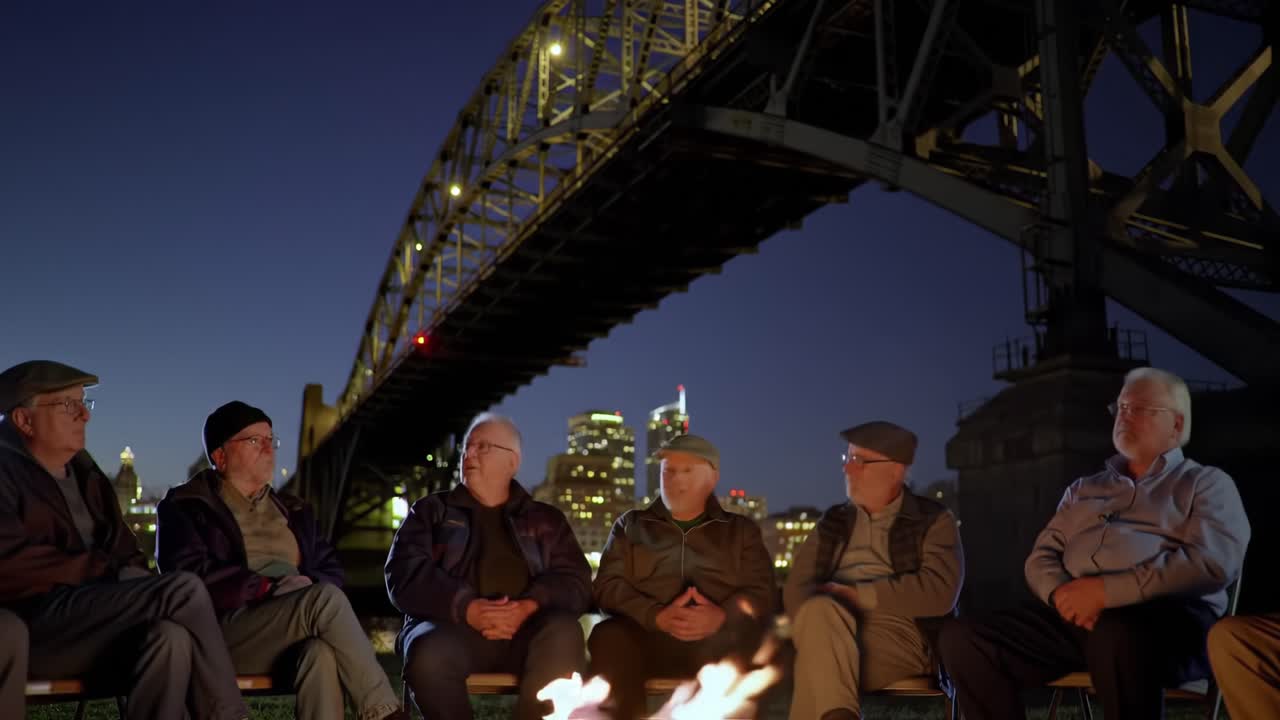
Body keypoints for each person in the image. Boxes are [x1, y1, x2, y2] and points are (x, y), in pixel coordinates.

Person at [938, 367, 1251, 720]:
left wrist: (1105, 592)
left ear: (1176, 424)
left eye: (1139, 409)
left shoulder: (1205, 484)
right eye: (1121, 407)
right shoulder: (1084, 488)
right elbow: (1041, 557)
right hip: (1075, 618)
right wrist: (1062, 595)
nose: (1124, 416)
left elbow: (1211, 563)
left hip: (1169, 622)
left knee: (1117, 633)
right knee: (964, 638)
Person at [0, 360, 248, 720]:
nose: (85, 415)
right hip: (34, 624)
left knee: (170, 638)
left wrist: (130, 578)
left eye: (84, 403)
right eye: (69, 404)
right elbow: (10, 564)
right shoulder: (5, 473)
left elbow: (127, 552)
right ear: (24, 420)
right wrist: (108, 573)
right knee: (183, 590)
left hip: (98, 620)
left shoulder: (89, 477)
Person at [157, 400, 405, 720]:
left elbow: (331, 569)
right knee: (324, 599)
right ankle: (385, 713)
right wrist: (267, 588)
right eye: (253, 440)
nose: (268, 449)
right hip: (222, 632)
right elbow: (188, 577)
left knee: (320, 654)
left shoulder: (294, 510)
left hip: (293, 621)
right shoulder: (187, 506)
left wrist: (303, 587)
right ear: (220, 456)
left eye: (270, 439)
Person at [386, 413, 592, 720]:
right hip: (451, 631)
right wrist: (467, 608)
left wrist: (528, 607)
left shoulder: (546, 519)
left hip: (527, 633)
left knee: (565, 635)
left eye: (483, 447)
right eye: (467, 447)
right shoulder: (431, 511)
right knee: (427, 654)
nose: (469, 454)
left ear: (512, 462)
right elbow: (404, 575)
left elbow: (576, 582)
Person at [784, 420, 964, 720]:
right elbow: (796, 588)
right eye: (847, 458)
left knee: (817, 661)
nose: (847, 468)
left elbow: (941, 591)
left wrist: (861, 595)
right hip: (828, 623)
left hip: (902, 633)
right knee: (819, 620)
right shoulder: (834, 522)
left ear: (895, 470)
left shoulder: (933, 520)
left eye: (859, 461)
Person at [590, 434, 775, 720]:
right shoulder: (632, 525)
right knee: (608, 636)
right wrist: (655, 615)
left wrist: (722, 616)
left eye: (687, 470)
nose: (675, 479)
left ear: (712, 478)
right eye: (668, 471)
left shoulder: (740, 531)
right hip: (644, 636)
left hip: (716, 640)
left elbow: (762, 593)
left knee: (748, 639)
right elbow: (606, 587)